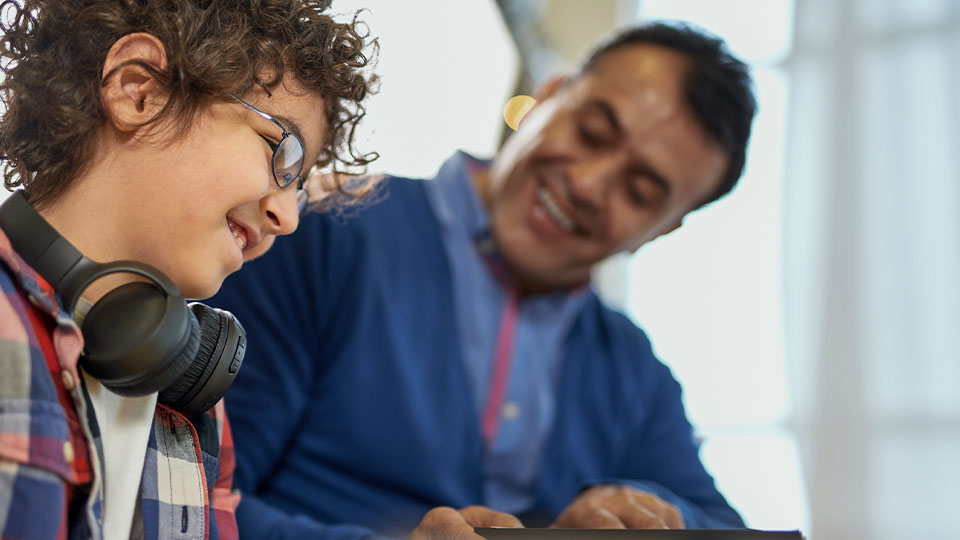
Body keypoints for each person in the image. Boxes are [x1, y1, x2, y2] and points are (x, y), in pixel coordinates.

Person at [210, 21, 757, 540]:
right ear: (546, 96)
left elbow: (722, 525)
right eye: (591, 133)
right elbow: (199, 492)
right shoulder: (328, 231)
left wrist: (657, 513)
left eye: (639, 193)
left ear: (661, 231)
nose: (589, 186)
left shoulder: (634, 371)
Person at [0, 1, 377, 538]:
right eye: (283, 155)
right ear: (140, 91)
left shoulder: (190, 401)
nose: (289, 218)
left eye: (299, 188)